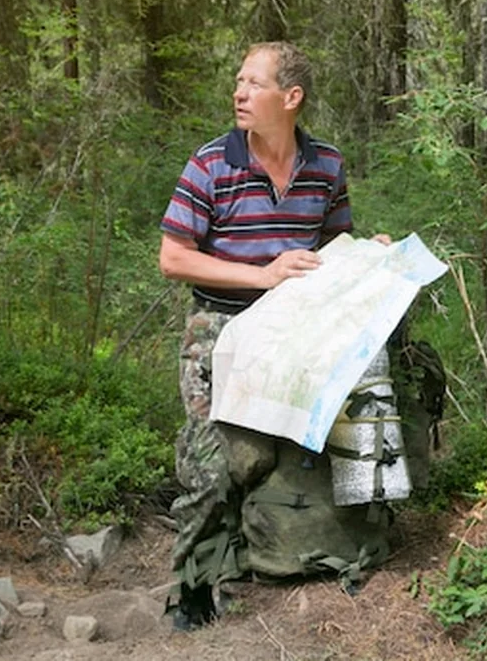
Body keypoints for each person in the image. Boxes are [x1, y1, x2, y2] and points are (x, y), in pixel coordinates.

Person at [158, 41, 386, 629]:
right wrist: (261, 276)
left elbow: (335, 247)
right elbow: (174, 258)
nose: (239, 92)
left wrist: (370, 253)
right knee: (211, 457)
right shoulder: (212, 163)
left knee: (368, 402)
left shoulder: (327, 165)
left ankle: (357, 550)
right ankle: (194, 586)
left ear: (291, 98)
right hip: (223, 321)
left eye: (253, 83)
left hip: (299, 321)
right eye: (238, 81)